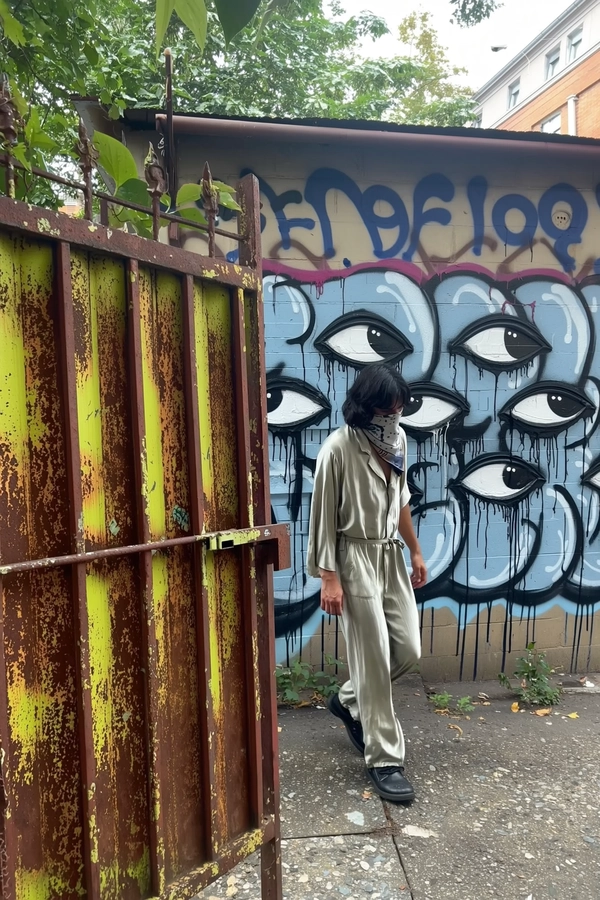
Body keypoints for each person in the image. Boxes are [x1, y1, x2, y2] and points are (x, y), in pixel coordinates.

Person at [306, 363, 427, 803]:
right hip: (352, 558)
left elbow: (401, 501)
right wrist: (329, 578)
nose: (392, 417)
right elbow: (321, 518)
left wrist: (415, 551)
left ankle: (347, 699)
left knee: (408, 649)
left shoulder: (398, 441)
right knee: (373, 658)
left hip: (388, 554)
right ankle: (384, 759)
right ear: (365, 406)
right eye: (385, 410)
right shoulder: (338, 450)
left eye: (398, 409)